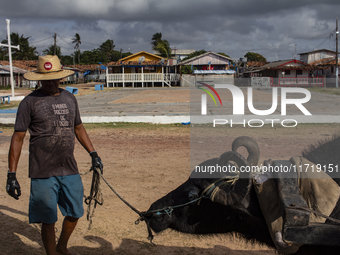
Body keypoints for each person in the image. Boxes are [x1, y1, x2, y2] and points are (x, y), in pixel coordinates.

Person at [6, 55, 103, 255]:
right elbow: (18, 138)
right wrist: (11, 175)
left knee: (75, 212)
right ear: (39, 79)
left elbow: (79, 128)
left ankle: (62, 246)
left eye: (54, 78)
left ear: (61, 78)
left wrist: (93, 153)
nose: (50, 82)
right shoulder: (29, 102)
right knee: (48, 218)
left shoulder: (70, 98)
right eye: (46, 79)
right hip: (42, 171)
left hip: (69, 168)